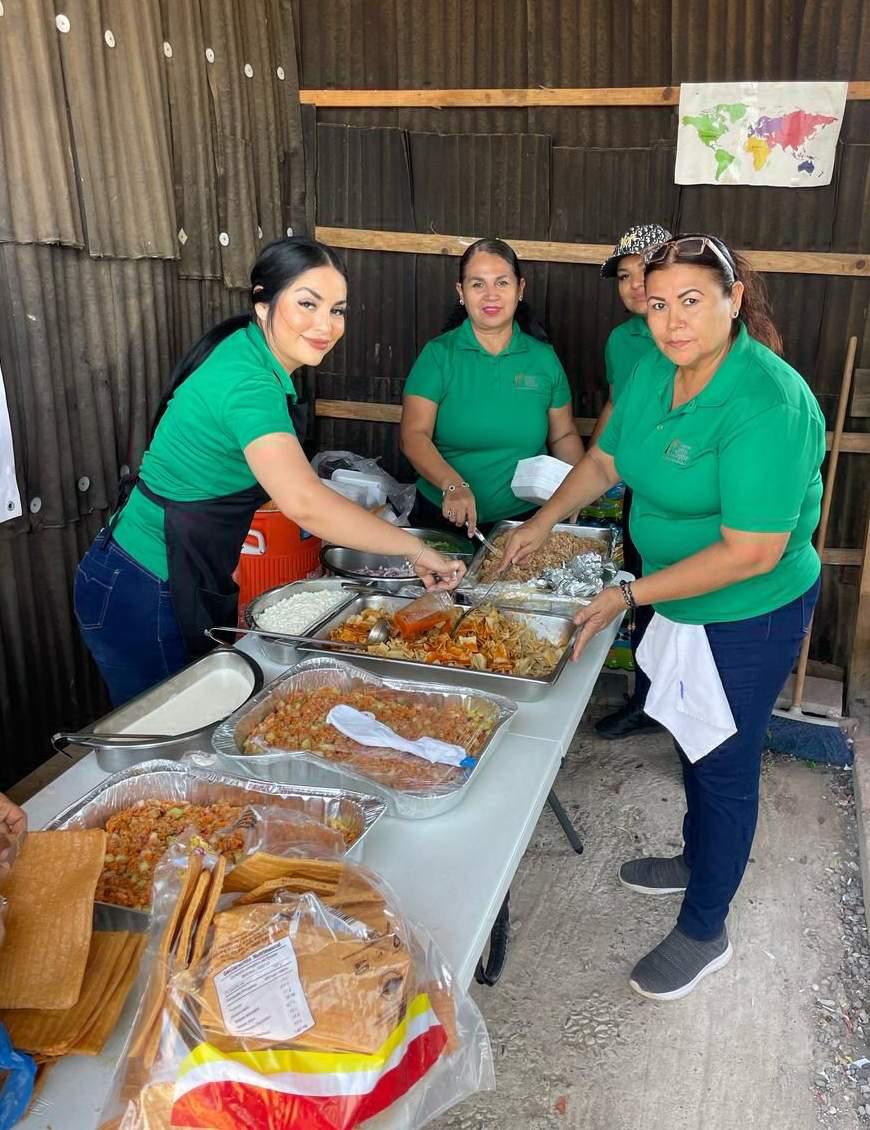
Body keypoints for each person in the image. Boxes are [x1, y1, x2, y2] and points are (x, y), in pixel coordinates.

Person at [501, 234, 825, 1000]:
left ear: (733, 299)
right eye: (657, 303)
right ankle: (695, 856)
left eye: (690, 301)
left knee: (725, 763)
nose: (673, 321)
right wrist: (542, 523)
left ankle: (706, 925)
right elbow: (607, 461)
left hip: (749, 611)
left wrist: (629, 593)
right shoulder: (654, 368)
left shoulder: (766, 400)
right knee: (686, 730)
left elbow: (751, 550)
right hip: (675, 598)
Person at [75, 237, 463, 706]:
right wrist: (415, 552)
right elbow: (304, 504)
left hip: (165, 577)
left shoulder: (247, 349)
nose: (326, 325)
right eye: (307, 304)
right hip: (142, 587)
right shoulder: (250, 383)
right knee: (167, 733)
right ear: (263, 302)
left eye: (337, 310)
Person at [400, 238, 584, 536]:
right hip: (444, 521)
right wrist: (453, 485)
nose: (491, 296)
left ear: (520, 289)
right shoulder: (438, 356)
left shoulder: (543, 358)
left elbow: (563, 434)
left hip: (523, 524)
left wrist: (577, 491)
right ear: (461, 292)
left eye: (502, 283)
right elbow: (413, 435)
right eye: (477, 284)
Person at [591, 223, 672, 740]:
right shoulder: (622, 340)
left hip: (691, 491)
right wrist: (588, 473)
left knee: (689, 598)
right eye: (624, 276)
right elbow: (618, 409)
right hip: (641, 486)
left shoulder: (689, 333)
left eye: (646, 270)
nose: (635, 284)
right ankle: (645, 700)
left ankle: (685, 709)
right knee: (641, 591)